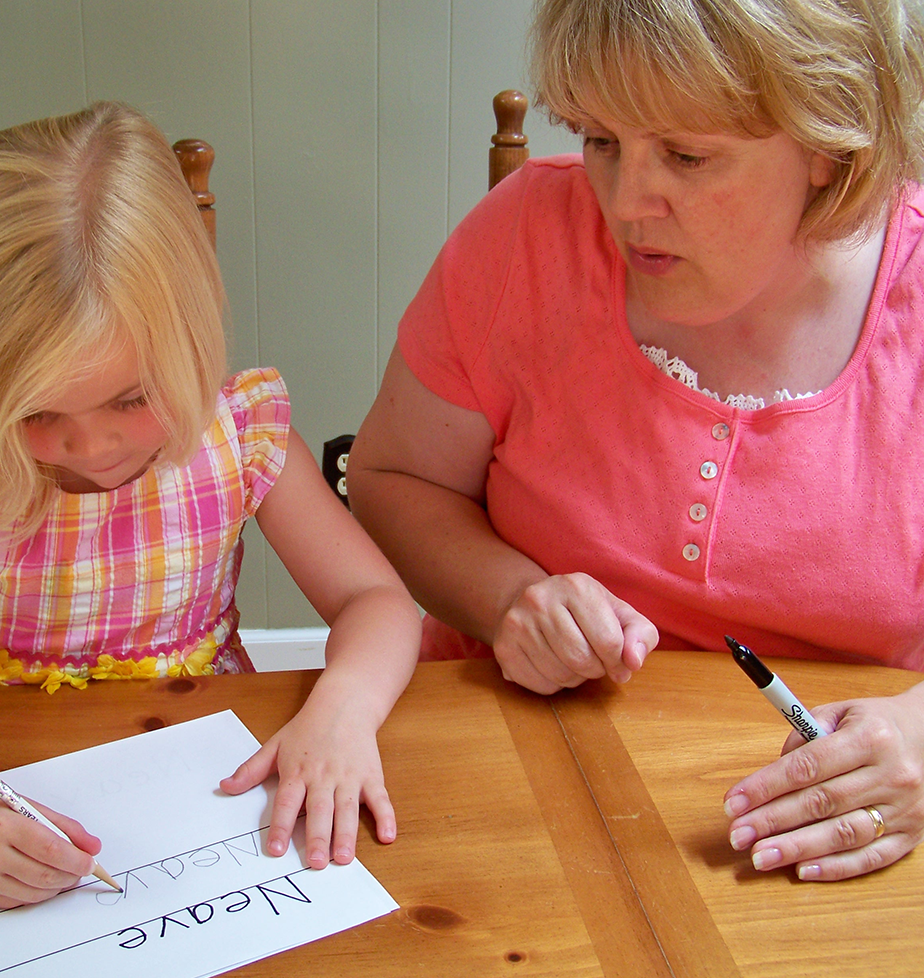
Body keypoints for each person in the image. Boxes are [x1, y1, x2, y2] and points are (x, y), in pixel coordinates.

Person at [347, 0, 924, 880]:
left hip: (834, 830)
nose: (623, 202)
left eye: (686, 156)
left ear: (827, 139)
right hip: (508, 772)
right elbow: (392, 477)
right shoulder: (523, 236)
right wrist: (510, 600)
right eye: (599, 139)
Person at [0, 102, 421, 909]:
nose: (92, 447)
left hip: (199, 783)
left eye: (132, 398)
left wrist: (344, 711)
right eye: (38, 414)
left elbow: (378, 603)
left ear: (192, 339)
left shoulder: (238, 438)